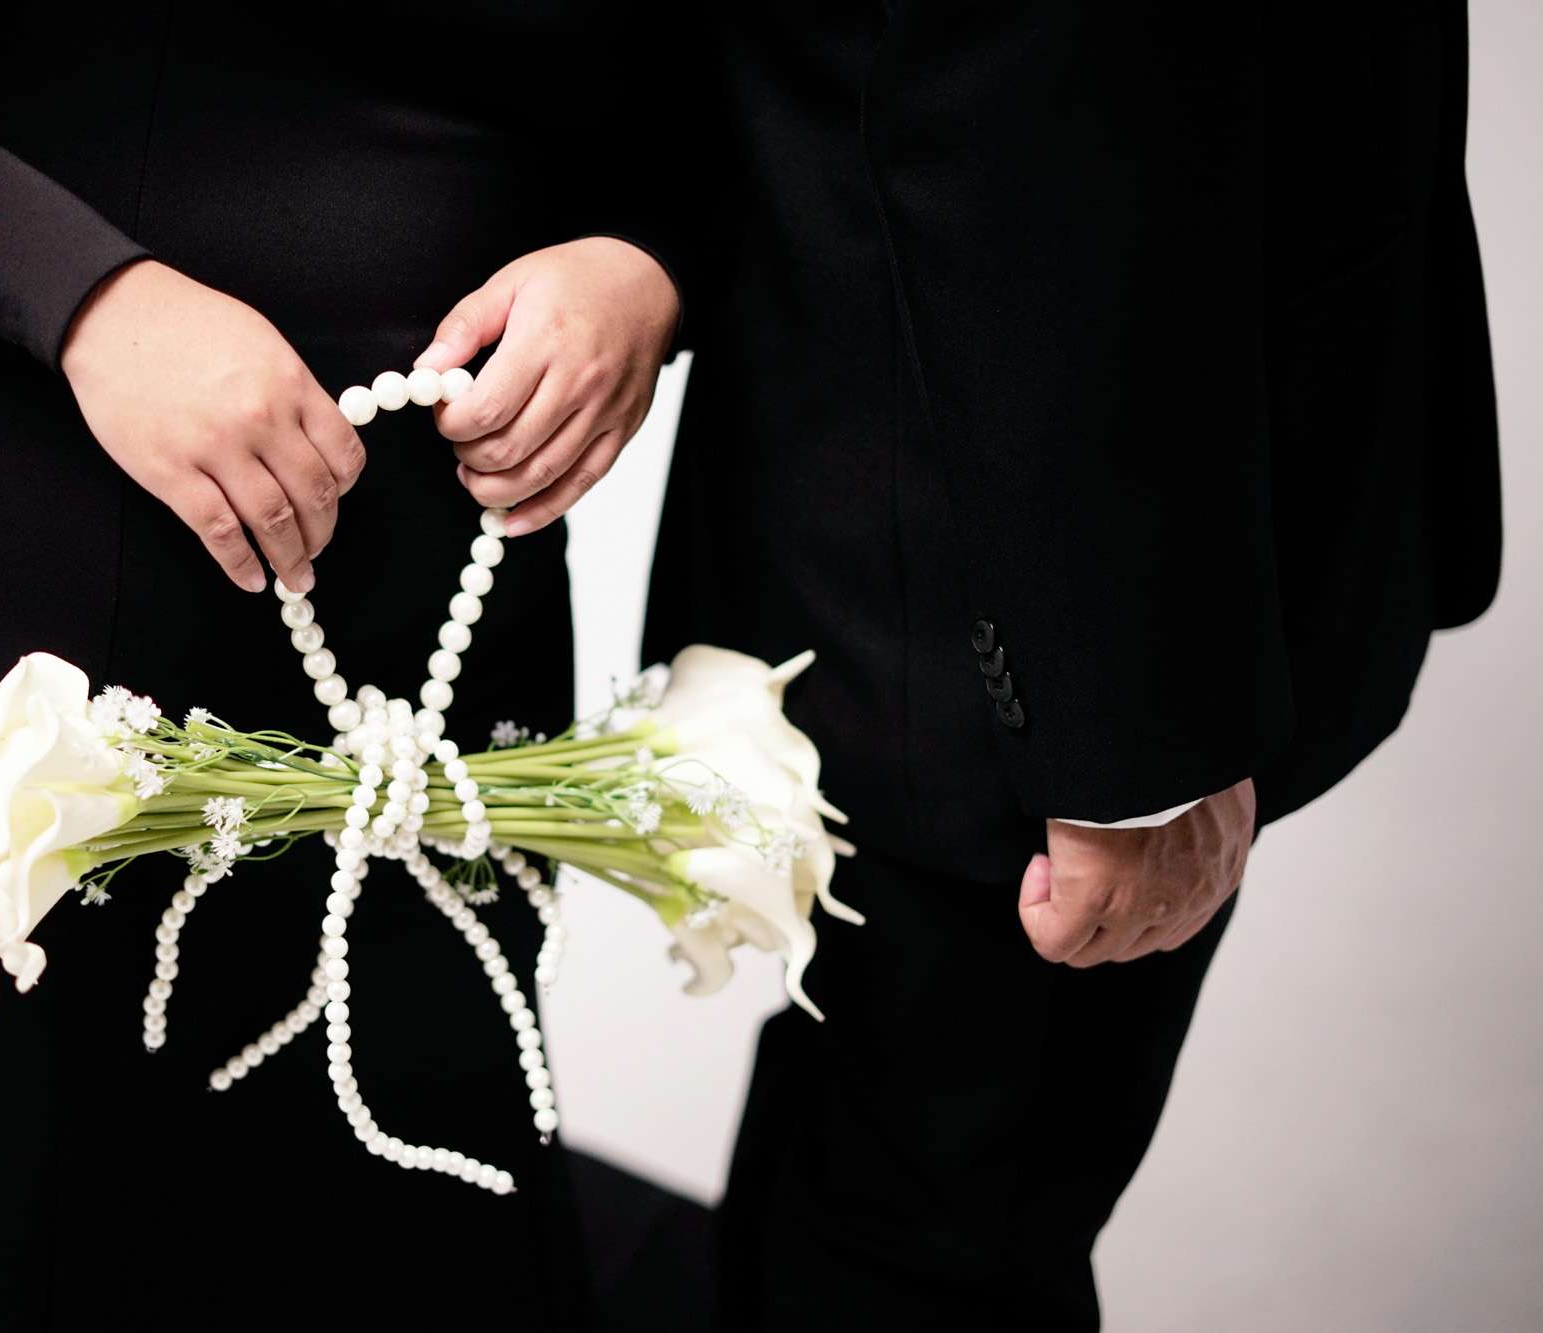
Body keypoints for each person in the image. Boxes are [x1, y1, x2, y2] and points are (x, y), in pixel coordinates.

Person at [0, 3, 688, 1328]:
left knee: (426, 1226)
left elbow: (755, 86)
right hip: (42, 589)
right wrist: (88, 292)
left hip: (457, 646)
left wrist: (644, 264)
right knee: (31, 1235)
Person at [628, 1, 1500, 1326]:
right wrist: (1118, 743)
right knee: (935, 1226)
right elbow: (1016, 81)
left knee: (892, 1174)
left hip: (1081, 472)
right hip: (1012, 576)